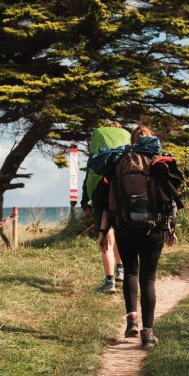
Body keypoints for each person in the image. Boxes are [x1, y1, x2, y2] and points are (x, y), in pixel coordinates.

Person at [97, 125, 181, 347]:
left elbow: (106, 202)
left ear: (132, 140)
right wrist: (171, 229)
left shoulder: (117, 163)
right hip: (152, 230)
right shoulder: (158, 162)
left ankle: (132, 320)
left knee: (131, 273)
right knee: (148, 279)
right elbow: (170, 199)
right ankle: (147, 334)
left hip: (124, 228)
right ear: (151, 140)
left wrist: (103, 232)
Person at [81, 122, 131, 293]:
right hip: (121, 198)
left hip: (100, 199)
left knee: (107, 238)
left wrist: (84, 202)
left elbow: (87, 180)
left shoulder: (98, 160)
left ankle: (109, 281)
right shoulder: (124, 161)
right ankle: (121, 270)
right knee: (119, 235)